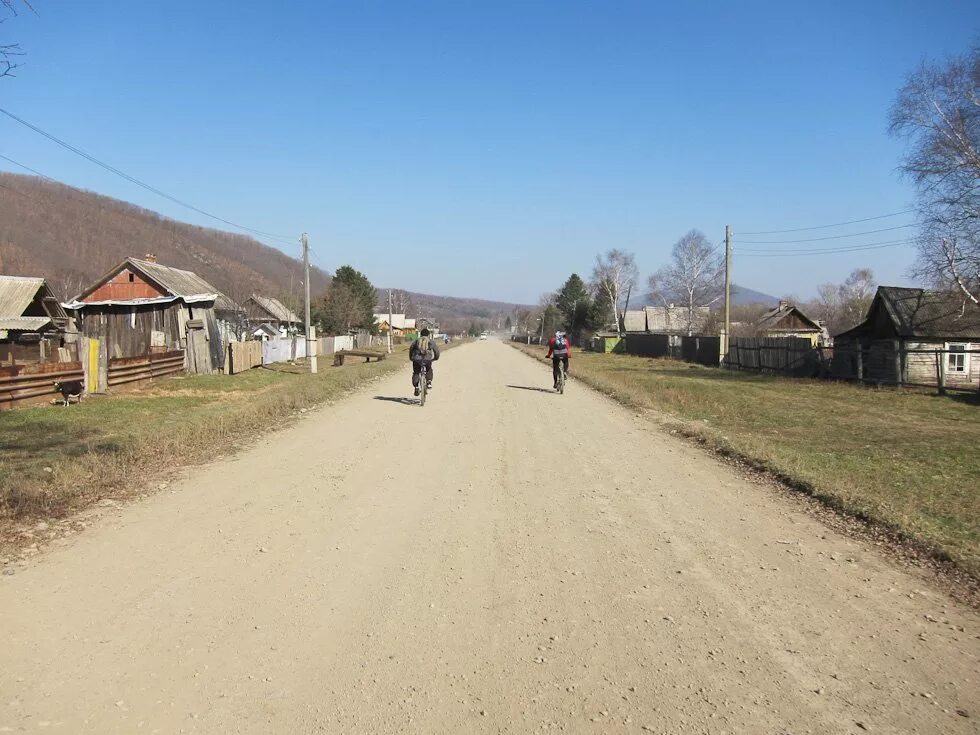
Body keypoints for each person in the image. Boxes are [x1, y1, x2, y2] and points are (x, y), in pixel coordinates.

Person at [410, 328, 441, 396]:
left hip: (417, 360)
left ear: (421, 334)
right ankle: (429, 381)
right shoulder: (430, 341)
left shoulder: (416, 341)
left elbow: (411, 349)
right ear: (428, 335)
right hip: (427, 359)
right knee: (429, 369)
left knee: (416, 372)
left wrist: (411, 358)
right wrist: (436, 358)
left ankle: (416, 386)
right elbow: (436, 351)